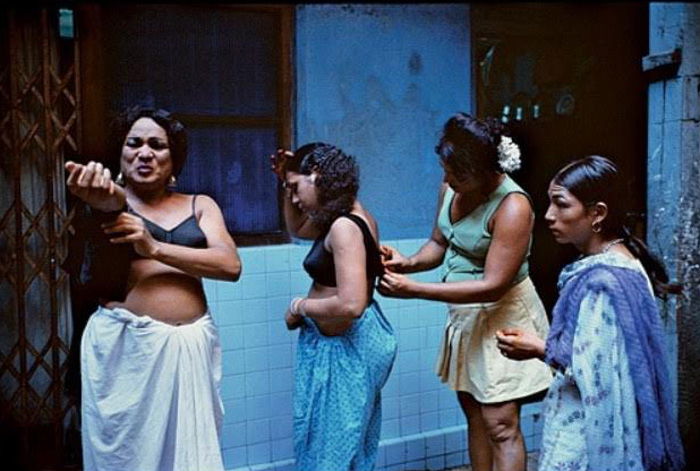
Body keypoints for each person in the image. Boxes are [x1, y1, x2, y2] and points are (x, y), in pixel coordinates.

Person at [64, 105, 241, 471]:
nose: (145, 152)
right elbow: (88, 276)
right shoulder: (105, 204)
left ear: (173, 160)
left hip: (190, 347)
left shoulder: (200, 205)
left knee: (189, 458)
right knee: (129, 458)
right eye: (134, 143)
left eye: (157, 145)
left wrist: (154, 247)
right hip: (128, 353)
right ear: (120, 154)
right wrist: (103, 208)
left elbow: (229, 265)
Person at [379, 112, 552, 471]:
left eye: (456, 174)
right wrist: (407, 263)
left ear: (485, 170)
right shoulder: (451, 188)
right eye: (445, 170)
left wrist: (413, 290)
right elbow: (438, 243)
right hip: (465, 314)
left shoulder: (513, 206)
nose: (446, 179)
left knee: (501, 425)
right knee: (474, 413)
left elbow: (493, 285)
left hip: (504, 316)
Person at [496, 155, 685, 471]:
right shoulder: (625, 260)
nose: (548, 215)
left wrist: (539, 348)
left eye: (561, 204)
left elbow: (596, 371)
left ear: (597, 214)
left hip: (587, 431)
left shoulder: (603, 282)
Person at [270, 143, 397, 471]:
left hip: (347, 350)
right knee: (343, 446)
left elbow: (351, 304)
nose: (295, 199)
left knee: (332, 453)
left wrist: (300, 306)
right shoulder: (352, 215)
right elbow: (297, 228)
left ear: (318, 177)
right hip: (344, 346)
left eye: (297, 188)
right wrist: (286, 183)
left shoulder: (343, 227)